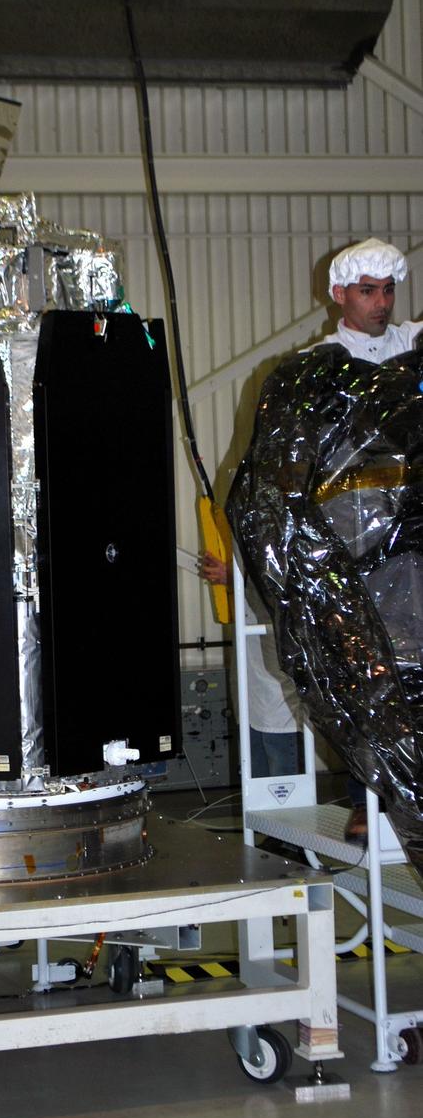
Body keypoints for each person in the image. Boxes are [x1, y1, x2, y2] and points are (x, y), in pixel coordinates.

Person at [319, 238, 421, 841]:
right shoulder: (322, 363)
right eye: (367, 291)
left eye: (388, 290)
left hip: (414, 542)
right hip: (359, 546)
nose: (380, 302)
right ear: (339, 294)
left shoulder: (412, 347)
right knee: (366, 671)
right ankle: (368, 798)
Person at [199, 551, 303, 779]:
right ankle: (262, 813)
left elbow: (288, 578)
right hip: (253, 660)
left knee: (280, 766)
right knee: (256, 767)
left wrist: (238, 576)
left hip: (276, 660)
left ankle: (286, 811)